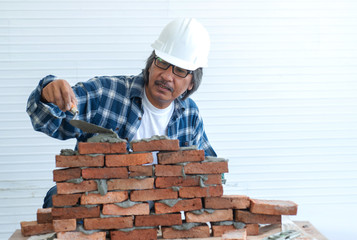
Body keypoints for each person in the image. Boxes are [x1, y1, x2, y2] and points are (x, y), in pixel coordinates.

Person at [27, 18, 216, 208]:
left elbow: (208, 167)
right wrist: (47, 94)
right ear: (151, 63)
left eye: (180, 71)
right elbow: (47, 121)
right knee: (57, 196)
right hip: (96, 201)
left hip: (154, 209)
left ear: (192, 82)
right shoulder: (106, 93)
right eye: (162, 62)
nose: (167, 76)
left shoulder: (190, 114)